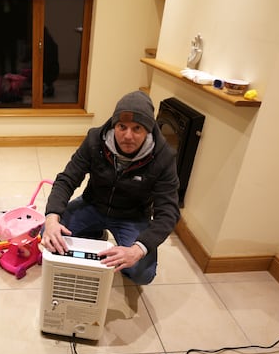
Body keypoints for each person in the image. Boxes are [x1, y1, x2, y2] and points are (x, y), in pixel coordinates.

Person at [42, 91, 181, 285]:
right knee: (49, 236)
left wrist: (137, 249)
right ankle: (95, 234)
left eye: (137, 128)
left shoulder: (164, 157)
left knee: (142, 273)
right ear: (114, 124)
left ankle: (114, 243)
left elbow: (168, 213)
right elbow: (67, 179)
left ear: (148, 130)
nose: (127, 136)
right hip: (92, 205)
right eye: (122, 126)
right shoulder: (94, 140)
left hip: (132, 216)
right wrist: (51, 219)